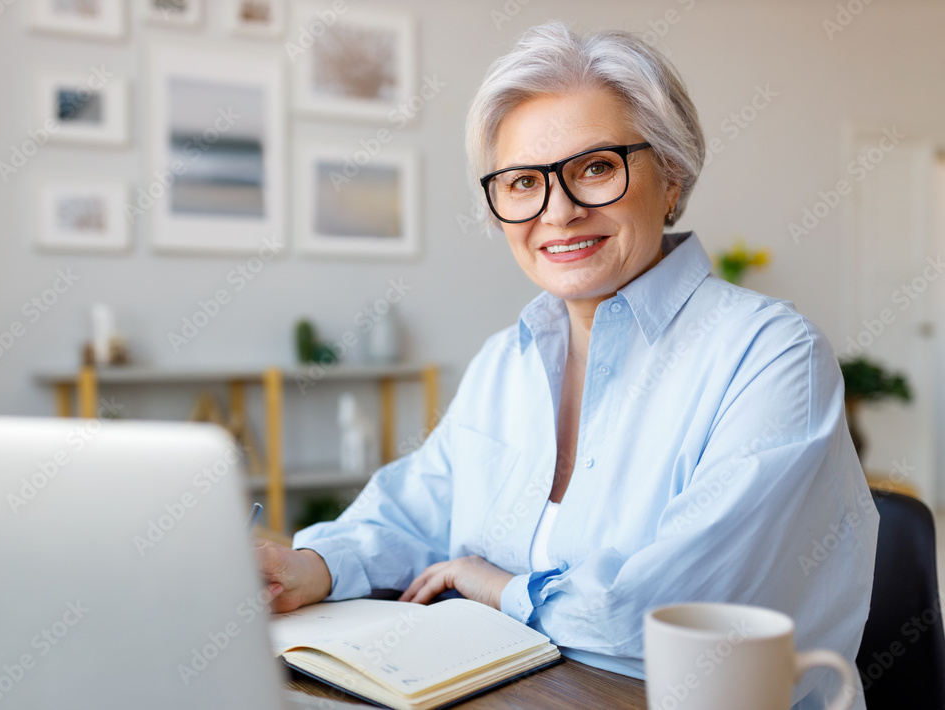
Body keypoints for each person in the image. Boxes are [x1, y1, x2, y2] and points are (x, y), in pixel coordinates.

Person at [257, 22, 877, 709]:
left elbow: (665, 612)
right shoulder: (506, 361)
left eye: (595, 168)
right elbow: (412, 511)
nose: (558, 211)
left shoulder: (773, 356)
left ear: (670, 175)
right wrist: (309, 565)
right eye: (523, 182)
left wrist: (494, 585)